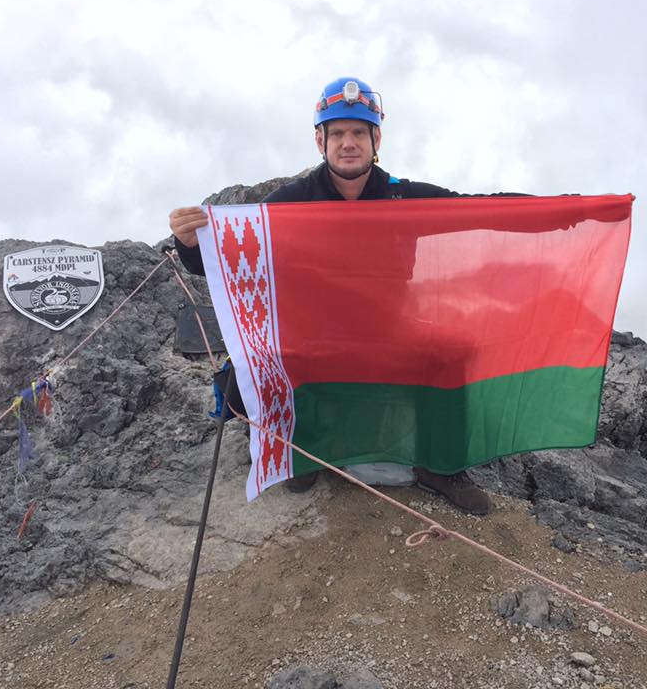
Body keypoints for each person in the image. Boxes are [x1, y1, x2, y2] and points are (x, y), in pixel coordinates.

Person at [169, 76, 497, 515]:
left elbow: (482, 210)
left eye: (358, 132)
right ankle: (303, 451)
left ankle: (439, 465)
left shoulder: (404, 197)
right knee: (246, 376)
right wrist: (190, 243)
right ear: (320, 141)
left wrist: (566, 213)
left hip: (388, 330)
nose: (348, 143)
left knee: (451, 354)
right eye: (337, 133)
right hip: (313, 336)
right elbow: (226, 257)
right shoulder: (290, 202)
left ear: (375, 138)